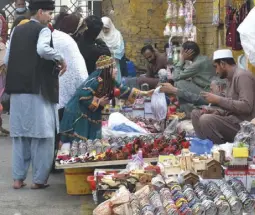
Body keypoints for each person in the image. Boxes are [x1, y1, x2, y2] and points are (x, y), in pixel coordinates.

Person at [4, 0, 67, 189]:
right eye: (48, 13)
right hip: (37, 90)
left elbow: (7, 59)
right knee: (43, 136)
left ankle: (18, 179)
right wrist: (60, 58)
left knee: (20, 136)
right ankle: (39, 181)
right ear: (40, 12)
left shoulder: (17, 30)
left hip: (17, 90)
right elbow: (42, 49)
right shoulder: (43, 30)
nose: (50, 17)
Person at [60, 55, 152, 142]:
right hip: (78, 113)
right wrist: (99, 102)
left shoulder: (110, 82)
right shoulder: (96, 81)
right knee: (80, 141)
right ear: (107, 70)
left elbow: (125, 90)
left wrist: (145, 93)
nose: (116, 71)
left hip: (89, 113)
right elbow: (82, 96)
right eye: (114, 68)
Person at [191, 49, 255, 144]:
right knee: (196, 114)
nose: (216, 71)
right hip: (234, 120)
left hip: (246, 126)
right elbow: (231, 106)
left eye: (216, 67)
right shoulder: (230, 79)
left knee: (206, 120)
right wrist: (216, 111)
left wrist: (218, 100)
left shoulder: (242, 76)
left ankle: (220, 150)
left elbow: (246, 106)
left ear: (222, 64)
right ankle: (205, 147)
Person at [52, 13, 88, 160]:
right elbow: (79, 71)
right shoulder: (68, 42)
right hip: (66, 94)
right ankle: (60, 159)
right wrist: (86, 89)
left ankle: (51, 160)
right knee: (64, 129)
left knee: (54, 129)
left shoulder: (53, 36)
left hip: (52, 90)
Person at [173, 41, 216, 115]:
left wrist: (181, 60)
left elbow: (176, 77)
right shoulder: (204, 58)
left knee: (179, 83)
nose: (181, 54)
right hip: (209, 91)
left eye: (182, 52)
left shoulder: (197, 64)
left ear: (189, 52)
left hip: (208, 95)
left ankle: (187, 112)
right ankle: (185, 109)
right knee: (184, 83)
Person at [159, 79, 227, 107]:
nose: (210, 92)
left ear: (219, 88)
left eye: (212, 90)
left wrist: (174, 90)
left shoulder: (223, 100)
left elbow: (196, 98)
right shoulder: (216, 97)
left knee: (180, 83)